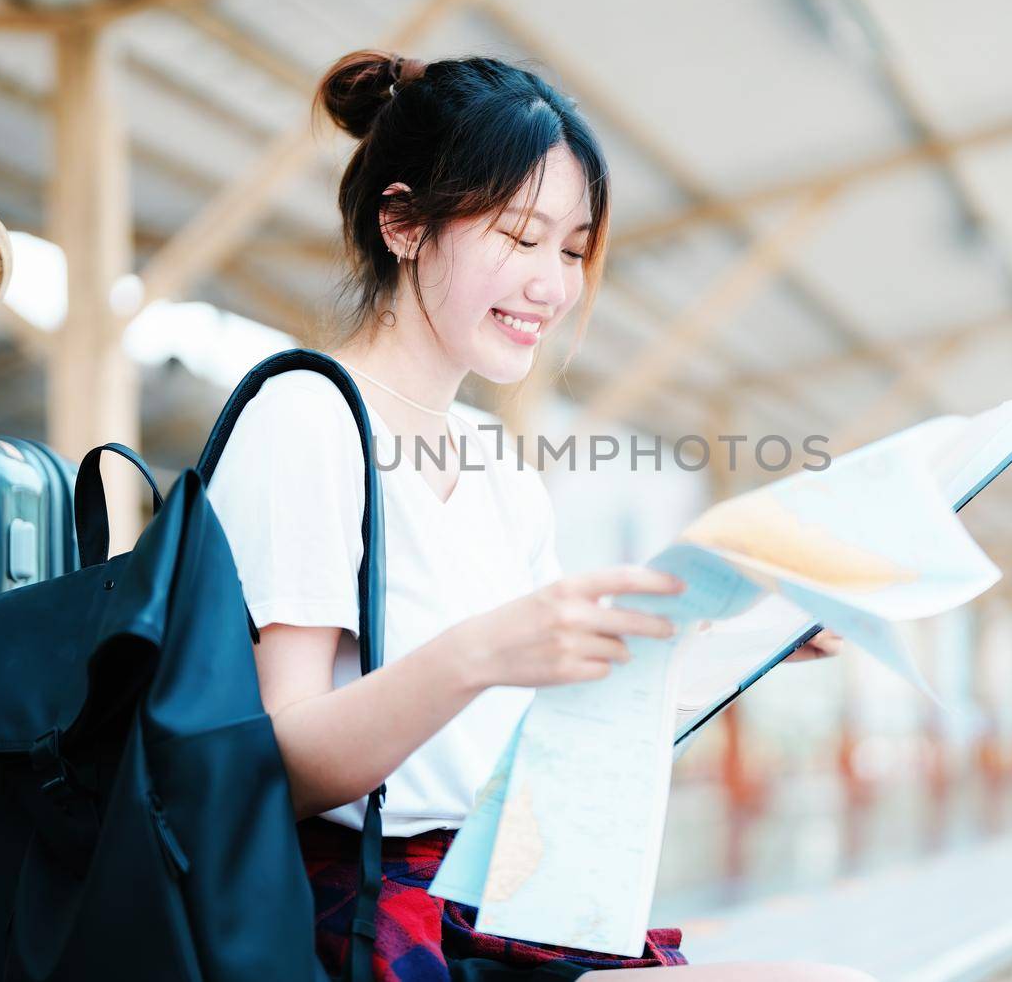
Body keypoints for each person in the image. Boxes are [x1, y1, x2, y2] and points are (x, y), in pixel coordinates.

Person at [206, 50, 865, 982]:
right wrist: (481, 653)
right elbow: (278, 760)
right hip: (360, 913)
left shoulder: (492, 462)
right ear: (402, 223)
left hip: (498, 897)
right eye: (520, 237)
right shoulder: (307, 416)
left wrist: (764, 636)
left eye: (570, 247)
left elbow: (571, 703)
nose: (554, 286)